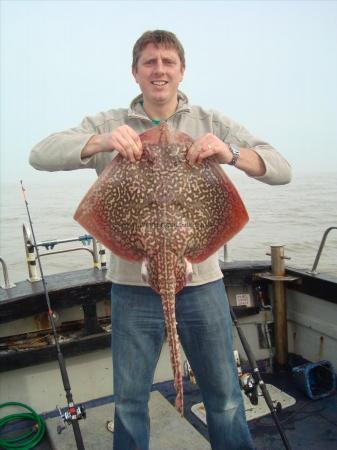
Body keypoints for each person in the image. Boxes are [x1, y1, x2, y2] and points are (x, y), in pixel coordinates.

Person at [29, 30, 291, 450]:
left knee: (224, 397)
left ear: (181, 71)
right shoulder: (109, 122)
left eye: (168, 62)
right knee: (130, 401)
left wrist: (229, 151)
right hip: (133, 287)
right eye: (150, 62)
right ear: (135, 73)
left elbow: (281, 168)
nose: (160, 70)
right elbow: (39, 153)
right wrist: (101, 141)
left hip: (201, 281)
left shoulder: (210, 122)